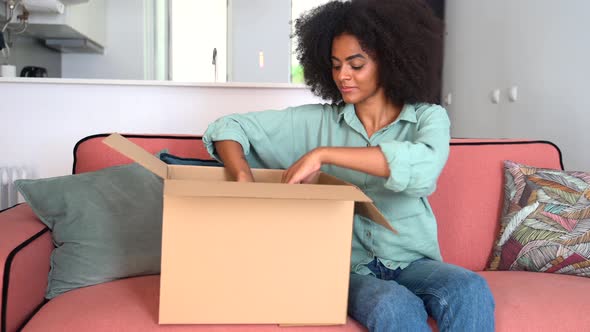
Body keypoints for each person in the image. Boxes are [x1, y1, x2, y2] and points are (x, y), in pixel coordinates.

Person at [202, 0, 495, 330]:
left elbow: (424, 169)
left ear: (389, 61)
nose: (343, 76)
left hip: (414, 261)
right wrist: (241, 174)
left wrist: (324, 155)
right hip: (348, 268)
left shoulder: (428, 118)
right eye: (336, 64)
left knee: (470, 288)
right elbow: (228, 127)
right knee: (392, 304)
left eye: (356, 65)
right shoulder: (316, 122)